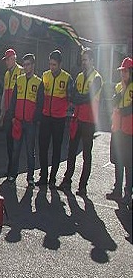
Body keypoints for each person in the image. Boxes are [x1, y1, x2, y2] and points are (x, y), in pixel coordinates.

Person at [58, 48, 102, 196]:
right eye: (82, 60)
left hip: (89, 121)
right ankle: (67, 180)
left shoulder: (97, 78)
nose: (83, 62)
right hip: (77, 118)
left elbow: (85, 98)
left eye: (86, 60)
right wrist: (78, 98)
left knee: (86, 155)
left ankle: (83, 186)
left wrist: (78, 98)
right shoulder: (79, 77)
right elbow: (74, 96)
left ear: (92, 61)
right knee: (71, 151)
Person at [36, 50, 74, 187]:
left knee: (56, 149)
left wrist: (62, 109)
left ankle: (52, 178)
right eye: (50, 64)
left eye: (54, 64)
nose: (52, 67)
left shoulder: (67, 78)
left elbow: (71, 98)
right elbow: (40, 97)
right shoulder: (45, 76)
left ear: (60, 64)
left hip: (59, 119)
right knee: (42, 147)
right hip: (46, 117)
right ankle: (43, 176)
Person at [6, 54, 43, 187]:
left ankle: (30, 178)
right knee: (16, 150)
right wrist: (12, 116)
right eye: (25, 64)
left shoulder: (38, 82)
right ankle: (12, 175)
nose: (26, 67)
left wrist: (34, 119)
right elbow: (13, 100)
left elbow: (40, 104)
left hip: (30, 123)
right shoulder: (19, 80)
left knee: (29, 151)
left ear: (33, 65)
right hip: (18, 122)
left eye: (28, 64)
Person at [106, 57, 132, 206]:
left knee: (129, 163)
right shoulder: (118, 87)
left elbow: (129, 109)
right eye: (122, 71)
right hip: (117, 129)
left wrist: (120, 110)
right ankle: (117, 190)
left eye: (126, 71)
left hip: (129, 131)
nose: (123, 74)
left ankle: (128, 192)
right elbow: (113, 102)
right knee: (117, 161)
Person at [0, 48, 23, 176]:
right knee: (9, 142)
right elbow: (4, 94)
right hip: (8, 112)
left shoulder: (21, 72)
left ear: (13, 59)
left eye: (8, 60)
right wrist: (2, 113)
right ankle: (11, 167)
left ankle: (14, 169)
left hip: (17, 114)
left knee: (16, 143)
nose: (6, 62)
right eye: (5, 60)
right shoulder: (7, 74)